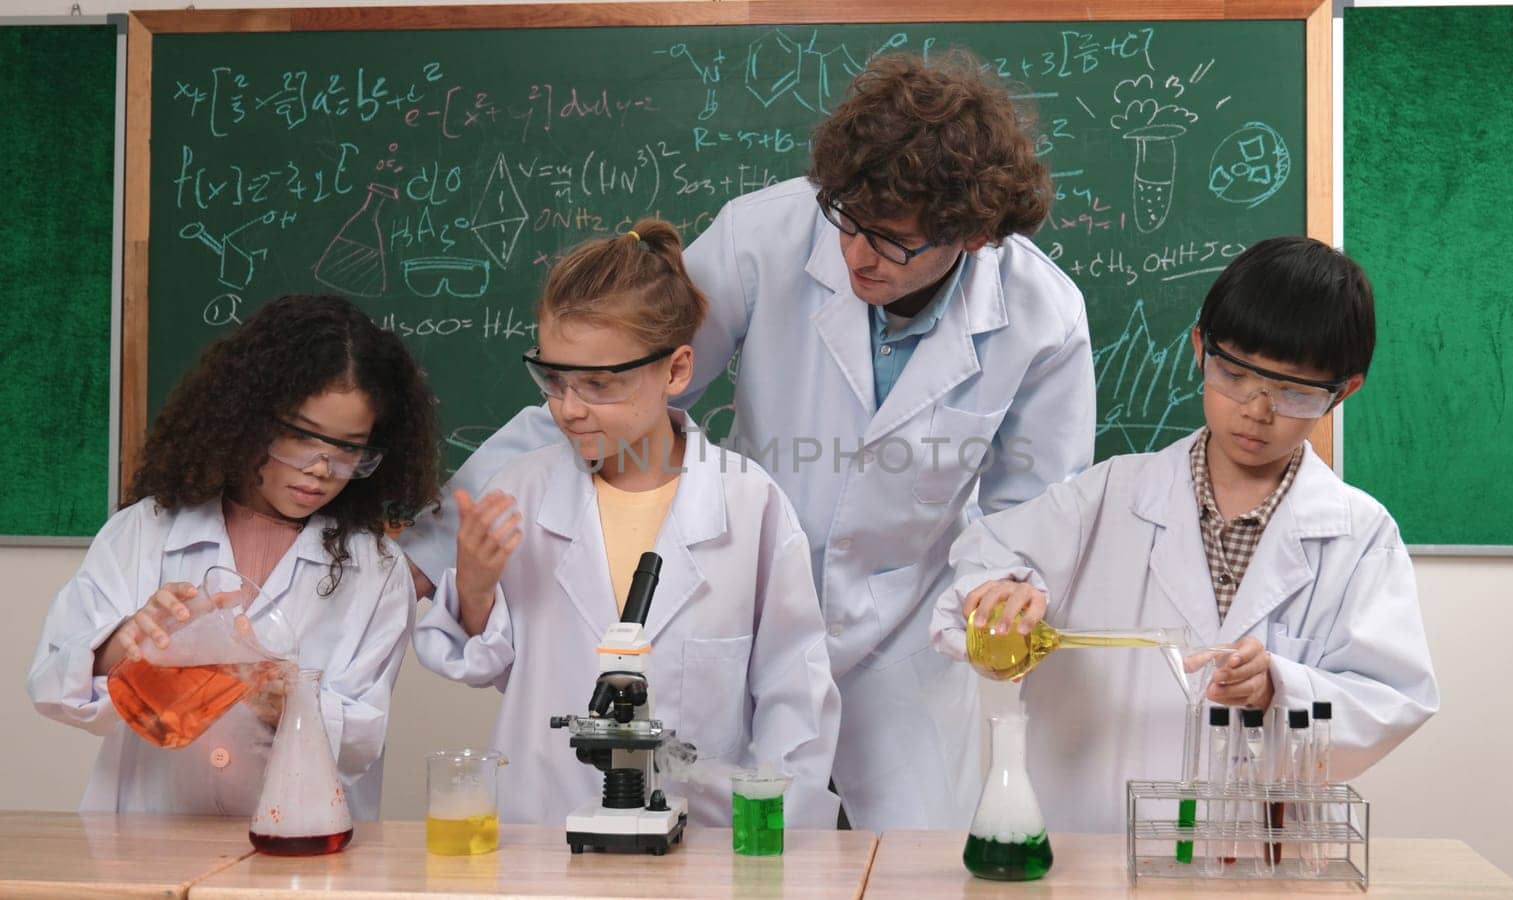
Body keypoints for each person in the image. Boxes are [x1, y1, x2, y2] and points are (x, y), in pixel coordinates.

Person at [402, 51, 1095, 830]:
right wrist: (439, 543)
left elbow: (1036, 506)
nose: (857, 255)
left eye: (893, 242)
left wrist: (1008, 584)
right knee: (716, 845)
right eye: (849, 222)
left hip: (901, 645)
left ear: (970, 237)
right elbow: (615, 379)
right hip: (739, 605)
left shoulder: (1044, 318)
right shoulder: (764, 236)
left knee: (917, 864)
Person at [932, 236, 1440, 832]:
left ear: (1342, 391)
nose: (1257, 409)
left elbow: (1394, 700)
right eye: (1235, 373)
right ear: (1201, 347)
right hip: (1095, 838)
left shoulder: (1359, 534)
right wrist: (1001, 594)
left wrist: (1281, 685)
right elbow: (983, 557)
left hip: (1259, 853)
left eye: (1295, 390)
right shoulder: (1107, 495)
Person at [411, 220, 840, 828]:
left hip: (704, 837)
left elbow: (794, 692)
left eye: (598, 384)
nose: (568, 408)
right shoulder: (521, 492)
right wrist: (476, 589)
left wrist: (767, 832)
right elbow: (488, 666)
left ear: (676, 370)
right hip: (547, 826)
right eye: (554, 379)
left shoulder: (748, 504)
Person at [28, 294, 439, 820]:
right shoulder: (147, 530)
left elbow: (363, 738)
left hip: (298, 838)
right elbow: (52, 688)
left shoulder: (375, 570)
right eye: (299, 436)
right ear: (246, 417)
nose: (320, 468)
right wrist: (121, 643)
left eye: (348, 449)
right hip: (145, 836)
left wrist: (285, 698)